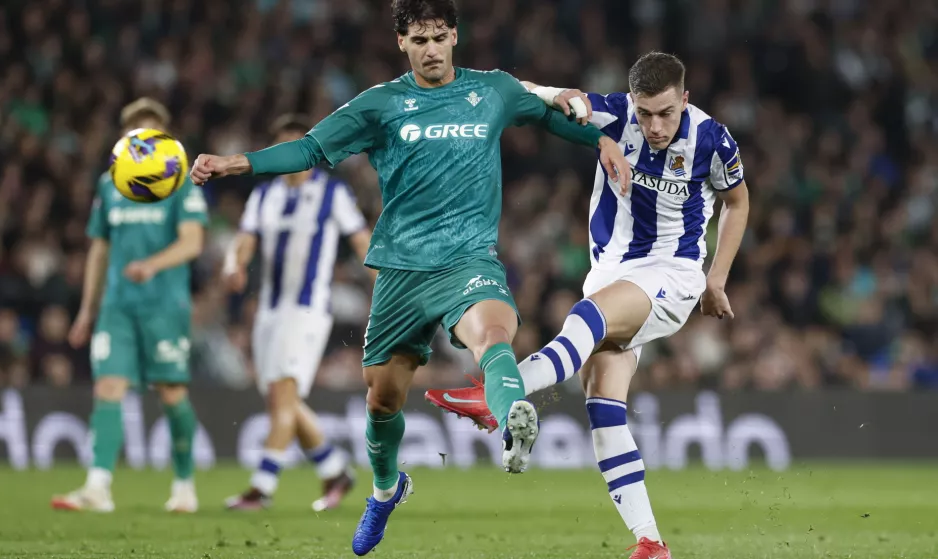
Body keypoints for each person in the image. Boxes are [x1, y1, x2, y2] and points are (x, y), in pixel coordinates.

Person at [189, 0, 630, 553]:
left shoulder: (491, 89)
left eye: (440, 37)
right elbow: (309, 149)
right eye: (420, 40)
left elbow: (545, 114)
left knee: (492, 334)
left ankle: (513, 412)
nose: (431, 50)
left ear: (455, 37)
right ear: (402, 42)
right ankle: (385, 488)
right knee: (382, 403)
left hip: (468, 260)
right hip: (400, 271)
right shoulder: (380, 104)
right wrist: (237, 164)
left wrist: (603, 141)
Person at [425, 52, 751, 559]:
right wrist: (540, 93)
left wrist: (717, 279)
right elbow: (528, 87)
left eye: (666, 112)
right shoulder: (614, 116)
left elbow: (738, 201)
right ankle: (650, 541)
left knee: (584, 319)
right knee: (603, 407)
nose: (655, 125)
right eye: (645, 113)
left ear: (684, 100)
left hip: (673, 273)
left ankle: (498, 397)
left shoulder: (712, 139)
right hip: (610, 273)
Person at [51, 97, 209, 513]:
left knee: (172, 393)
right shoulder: (109, 184)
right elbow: (98, 250)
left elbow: (193, 242)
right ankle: (97, 487)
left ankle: (184, 485)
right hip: (117, 306)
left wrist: (151, 265)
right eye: (133, 134)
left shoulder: (182, 182)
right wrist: (87, 309)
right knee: (108, 387)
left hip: (164, 305)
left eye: (150, 133)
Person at [222, 114, 375, 511]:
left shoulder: (332, 194)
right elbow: (245, 239)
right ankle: (334, 468)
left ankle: (262, 486)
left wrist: (385, 279)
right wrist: (235, 265)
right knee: (280, 400)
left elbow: (361, 240)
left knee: (284, 392)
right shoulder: (264, 195)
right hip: (269, 311)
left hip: (307, 312)